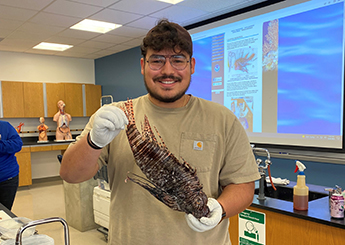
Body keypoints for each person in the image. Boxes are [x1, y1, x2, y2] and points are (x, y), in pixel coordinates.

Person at [60, 19, 260, 244]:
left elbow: (243, 185)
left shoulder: (223, 119)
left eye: (178, 60)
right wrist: (93, 141)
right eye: (156, 60)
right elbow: (70, 174)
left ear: (192, 65)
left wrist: (220, 208)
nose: (167, 71)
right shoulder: (114, 116)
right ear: (143, 65)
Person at [0, 121, 23, 210]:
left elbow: (18, 145)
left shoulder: (5, 126)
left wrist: (1, 144)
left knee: (4, 213)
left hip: (7, 178)